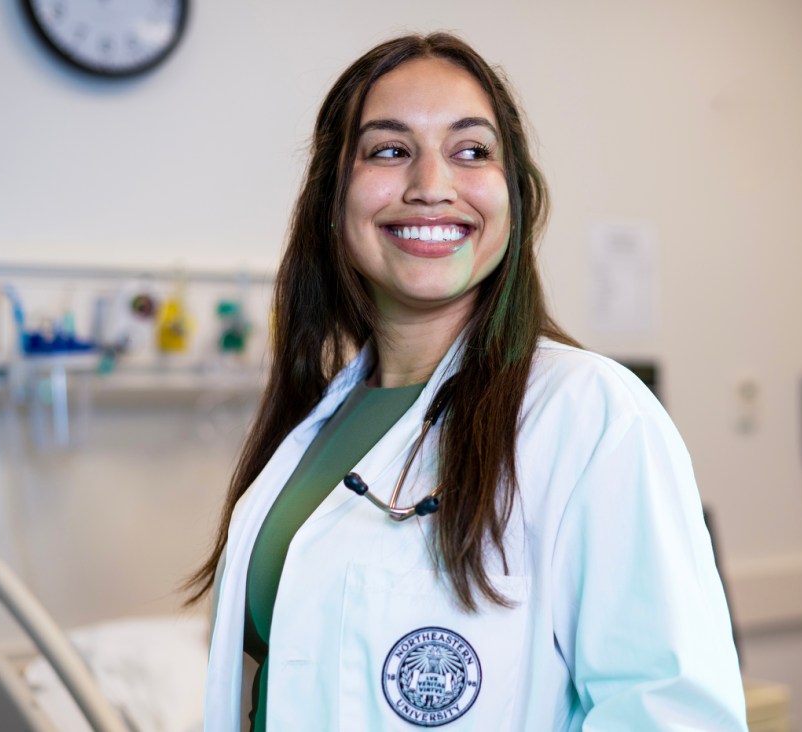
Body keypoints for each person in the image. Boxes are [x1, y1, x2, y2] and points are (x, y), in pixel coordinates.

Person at [187, 32, 747, 731]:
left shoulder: (591, 415)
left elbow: (668, 716)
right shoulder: (317, 423)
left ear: (514, 197)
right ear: (334, 200)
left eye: (471, 151)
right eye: (389, 150)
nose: (430, 186)